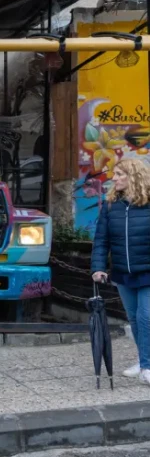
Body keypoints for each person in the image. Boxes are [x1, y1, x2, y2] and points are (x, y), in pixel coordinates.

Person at [91, 158, 150, 384]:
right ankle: (144, 359)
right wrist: (98, 267)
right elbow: (101, 240)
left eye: (118, 174)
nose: (113, 178)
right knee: (134, 319)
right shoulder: (110, 205)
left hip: (147, 271)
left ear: (133, 176)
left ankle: (147, 366)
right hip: (123, 273)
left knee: (146, 318)